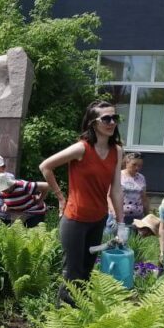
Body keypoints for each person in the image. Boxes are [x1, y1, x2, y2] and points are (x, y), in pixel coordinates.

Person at [40, 100, 124, 302]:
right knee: (73, 272)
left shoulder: (117, 151)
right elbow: (46, 166)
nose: (112, 122)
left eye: (115, 118)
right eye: (106, 118)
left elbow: (116, 189)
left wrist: (121, 223)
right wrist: (60, 196)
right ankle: (64, 321)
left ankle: (80, 319)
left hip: (98, 219)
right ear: (93, 123)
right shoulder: (81, 148)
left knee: (86, 272)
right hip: (75, 219)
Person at [116, 151, 148, 224]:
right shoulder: (118, 175)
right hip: (120, 215)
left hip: (137, 216)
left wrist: (147, 215)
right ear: (127, 162)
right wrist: (114, 213)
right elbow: (109, 196)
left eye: (140, 165)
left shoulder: (141, 177)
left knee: (135, 235)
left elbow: (144, 198)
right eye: (134, 165)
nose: (137, 168)